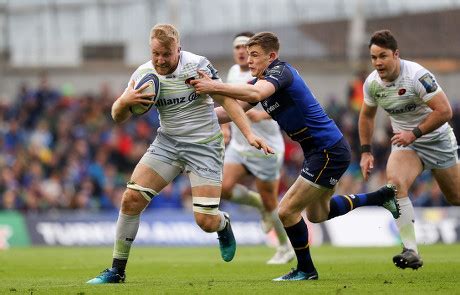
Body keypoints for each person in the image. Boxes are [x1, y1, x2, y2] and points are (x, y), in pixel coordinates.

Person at [190, 31, 401, 281]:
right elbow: (231, 110)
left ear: (272, 56)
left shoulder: (281, 72)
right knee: (317, 214)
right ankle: (381, 196)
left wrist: (213, 85)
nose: (249, 61)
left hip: (327, 150)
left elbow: (255, 96)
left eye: (255, 56)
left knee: (287, 210)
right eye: (248, 56)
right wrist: (192, 120)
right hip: (319, 150)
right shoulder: (260, 82)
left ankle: (306, 270)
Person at [86, 23, 272, 284]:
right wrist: (124, 102)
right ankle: (116, 271)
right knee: (130, 199)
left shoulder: (197, 66)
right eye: (155, 54)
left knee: (205, 221)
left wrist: (249, 134)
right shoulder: (143, 75)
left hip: (204, 147)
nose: (160, 60)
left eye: (166, 54)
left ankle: (222, 224)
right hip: (168, 144)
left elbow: (227, 100)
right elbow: (117, 116)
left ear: (178, 50)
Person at [359, 29, 460, 270]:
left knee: (455, 197)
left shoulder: (417, 75)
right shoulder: (372, 83)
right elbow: (366, 117)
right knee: (395, 185)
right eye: (373, 57)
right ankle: (411, 250)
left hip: (436, 141)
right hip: (407, 146)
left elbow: (445, 111)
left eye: (382, 56)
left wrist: (414, 133)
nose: (378, 63)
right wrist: (365, 151)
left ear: (396, 54)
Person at [220, 32, 295, 264]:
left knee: (272, 202)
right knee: (224, 188)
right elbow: (228, 105)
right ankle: (259, 205)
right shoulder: (233, 73)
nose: (241, 51)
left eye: (247, 47)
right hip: (240, 145)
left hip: (267, 147)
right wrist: (225, 129)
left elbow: (280, 110)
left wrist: (259, 115)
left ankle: (285, 247)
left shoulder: (270, 76)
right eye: (238, 47)